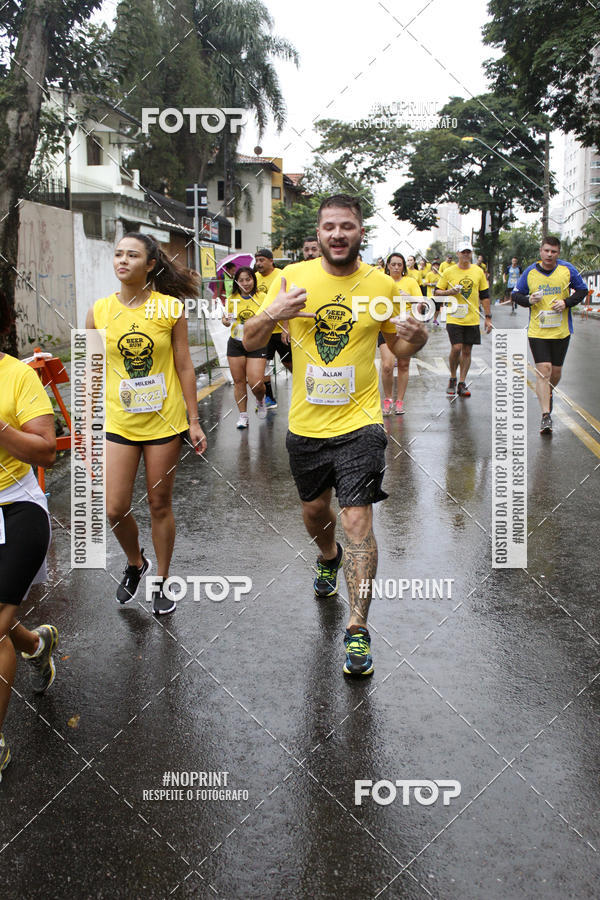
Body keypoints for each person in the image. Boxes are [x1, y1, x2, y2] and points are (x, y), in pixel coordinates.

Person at [243, 194, 428, 676]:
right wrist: (272, 312)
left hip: (361, 424)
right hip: (305, 427)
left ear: (360, 232)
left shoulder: (381, 284)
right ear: (319, 233)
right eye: (329, 226)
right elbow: (249, 339)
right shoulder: (292, 278)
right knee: (314, 512)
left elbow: (398, 347)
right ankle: (328, 556)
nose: (338, 234)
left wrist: (418, 339)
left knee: (357, 520)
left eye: (347, 226)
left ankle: (358, 628)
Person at [86, 232, 207, 616]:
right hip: (119, 422)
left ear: (151, 264)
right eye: (118, 254)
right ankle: (136, 563)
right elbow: (91, 372)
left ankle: (162, 581)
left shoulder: (169, 308)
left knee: (159, 503)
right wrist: (86, 428)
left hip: (164, 423)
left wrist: (193, 421)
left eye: (132, 255)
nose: (122, 260)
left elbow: (184, 365)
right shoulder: (98, 311)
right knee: (114, 507)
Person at [0, 296, 58, 784]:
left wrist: (0, 429)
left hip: (16, 507)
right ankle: (36, 645)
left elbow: (46, 450)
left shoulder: (18, 376)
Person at [512, 236, 588, 434]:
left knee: (555, 372)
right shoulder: (530, 272)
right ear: (541, 251)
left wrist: (566, 302)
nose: (549, 255)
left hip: (561, 331)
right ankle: (546, 416)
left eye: (553, 252)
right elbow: (516, 294)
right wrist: (529, 300)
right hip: (537, 331)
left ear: (558, 253)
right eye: (546, 250)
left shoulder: (567, 269)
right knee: (543, 370)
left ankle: (548, 393)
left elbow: (582, 290)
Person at [435, 241, 492, 397]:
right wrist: (449, 292)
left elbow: (485, 295)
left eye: (468, 252)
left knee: (467, 351)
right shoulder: (449, 272)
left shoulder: (478, 271)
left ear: (471, 254)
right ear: (458, 254)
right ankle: (452, 377)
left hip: (472, 318)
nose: (466, 254)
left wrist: (488, 317)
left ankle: (461, 382)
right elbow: (437, 292)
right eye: (463, 252)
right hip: (454, 316)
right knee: (456, 347)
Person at [222, 266, 268, 428]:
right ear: (236, 282)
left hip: (257, 343)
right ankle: (243, 416)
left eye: (248, 279)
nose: (245, 283)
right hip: (236, 343)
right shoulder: (232, 299)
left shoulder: (262, 297)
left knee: (256, 383)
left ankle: (260, 400)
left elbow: (269, 317)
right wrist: (226, 320)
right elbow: (225, 320)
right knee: (239, 381)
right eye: (241, 280)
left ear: (253, 280)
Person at [380, 252, 422, 415]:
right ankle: (388, 399)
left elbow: (422, 302)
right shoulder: (382, 281)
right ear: (388, 266)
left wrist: (408, 297)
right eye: (393, 264)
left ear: (404, 266)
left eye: (399, 264)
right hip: (385, 327)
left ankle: (399, 401)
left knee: (404, 365)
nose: (396, 267)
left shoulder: (410, 282)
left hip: (405, 327)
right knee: (387, 366)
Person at [255, 248, 289, 407]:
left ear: (271, 261)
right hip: (264, 331)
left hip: (280, 329)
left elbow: (288, 301)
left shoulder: (282, 276)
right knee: (264, 365)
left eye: (261, 260)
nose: (258, 263)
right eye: (257, 260)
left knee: (289, 363)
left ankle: (302, 390)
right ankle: (269, 397)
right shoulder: (254, 278)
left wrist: (286, 327)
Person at [424, 259, 441, 325]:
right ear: (432, 266)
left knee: (437, 308)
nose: (436, 267)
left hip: (438, 294)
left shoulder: (440, 274)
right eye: (434, 265)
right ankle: (428, 317)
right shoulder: (429, 274)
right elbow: (425, 283)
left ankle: (435, 320)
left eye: (437, 265)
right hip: (430, 294)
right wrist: (432, 284)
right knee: (431, 307)